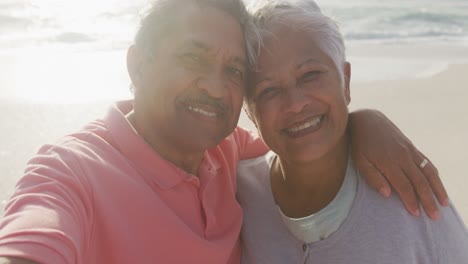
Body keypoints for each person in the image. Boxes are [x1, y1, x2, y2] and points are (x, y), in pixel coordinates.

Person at [0, 0, 448, 263]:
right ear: (138, 65)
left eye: (233, 69)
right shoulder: (70, 172)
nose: (215, 87)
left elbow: (299, 132)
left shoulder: (227, 153)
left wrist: (362, 120)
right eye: (193, 58)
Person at [237, 0, 468, 263]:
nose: (296, 103)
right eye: (269, 91)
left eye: (311, 75)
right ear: (248, 112)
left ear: (345, 81)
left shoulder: (410, 192)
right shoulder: (235, 196)